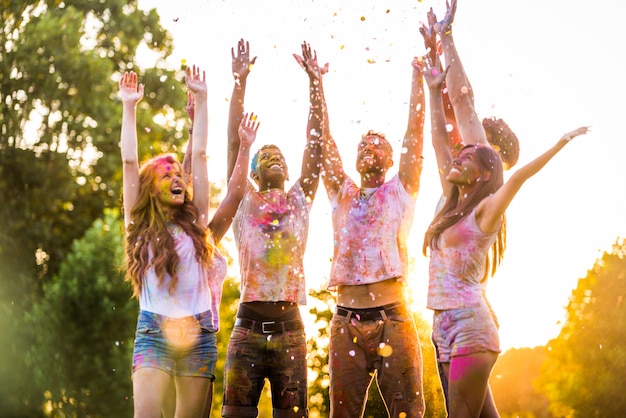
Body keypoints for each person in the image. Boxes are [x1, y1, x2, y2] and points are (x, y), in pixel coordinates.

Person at [423, 54, 588, 417]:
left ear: (483, 175)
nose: (457, 157)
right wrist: (433, 91)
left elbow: (517, 178)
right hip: (443, 324)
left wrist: (561, 141)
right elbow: (438, 142)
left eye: (467, 157)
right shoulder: (450, 206)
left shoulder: (485, 212)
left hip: (470, 324)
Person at [119, 65, 258, 417]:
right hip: (153, 330)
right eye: (166, 175)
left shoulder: (197, 223)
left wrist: (203, 96)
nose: (177, 178)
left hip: (198, 335)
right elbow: (129, 159)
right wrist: (129, 106)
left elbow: (198, 155)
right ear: (150, 189)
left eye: (178, 175)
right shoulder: (138, 224)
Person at [314, 45, 427, 417]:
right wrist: (317, 83)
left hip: (393, 318)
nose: (369, 147)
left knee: (408, 410)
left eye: (378, 144)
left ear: (391, 159)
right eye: (363, 144)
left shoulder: (400, 190)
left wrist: (417, 76)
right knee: (342, 414)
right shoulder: (342, 193)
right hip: (346, 320)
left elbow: (415, 132)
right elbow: (322, 139)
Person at [220, 39, 324, 418]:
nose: (275, 157)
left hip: (291, 329)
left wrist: (316, 84)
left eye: (280, 155)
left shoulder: (299, 199)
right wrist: (239, 82)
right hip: (247, 327)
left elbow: (315, 142)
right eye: (266, 155)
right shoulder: (244, 199)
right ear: (252, 171)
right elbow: (234, 142)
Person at [419, 1, 519, 170]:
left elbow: (459, 99)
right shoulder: (467, 153)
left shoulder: (479, 167)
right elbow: (456, 100)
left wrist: (438, 41)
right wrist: (436, 43)